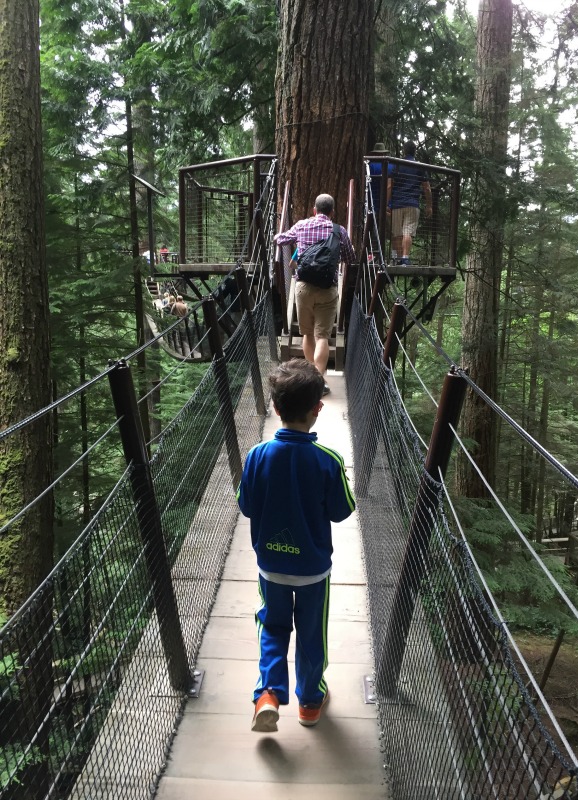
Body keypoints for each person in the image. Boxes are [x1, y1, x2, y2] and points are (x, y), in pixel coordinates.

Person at [237, 359, 356, 733]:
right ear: (317, 408)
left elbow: (246, 505)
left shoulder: (257, 456)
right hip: (312, 573)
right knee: (310, 635)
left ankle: (268, 694)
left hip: (271, 566)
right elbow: (342, 511)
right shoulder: (328, 460)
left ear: (274, 407)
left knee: (271, 627)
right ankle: (309, 702)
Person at [273, 194, 355, 395]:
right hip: (328, 288)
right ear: (332, 212)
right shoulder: (339, 231)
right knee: (323, 337)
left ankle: (312, 380)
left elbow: (281, 240)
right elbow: (350, 257)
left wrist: (281, 237)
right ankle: (319, 381)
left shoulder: (302, 225)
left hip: (304, 287)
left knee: (307, 334)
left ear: (314, 210)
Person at [388, 140, 432, 266]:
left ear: (404, 150)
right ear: (415, 151)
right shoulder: (420, 166)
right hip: (412, 203)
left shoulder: (397, 165)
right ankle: (405, 259)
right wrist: (429, 205)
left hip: (397, 203)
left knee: (396, 232)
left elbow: (390, 186)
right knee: (408, 232)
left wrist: (386, 203)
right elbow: (427, 188)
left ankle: (397, 259)